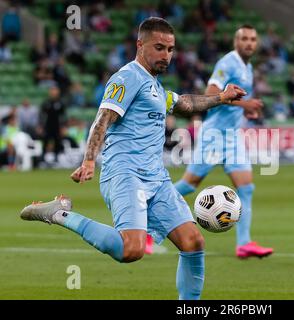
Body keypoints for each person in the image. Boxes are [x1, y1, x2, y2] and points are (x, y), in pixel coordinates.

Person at [19, 17, 246, 300]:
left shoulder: (154, 87)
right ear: (140, 45)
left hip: (157, 178)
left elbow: (185, 103)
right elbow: (103, 118)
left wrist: (220, 98)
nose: (166, 55)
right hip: (126, 173)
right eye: (159, 48)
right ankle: (58, 213)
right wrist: (90, 160)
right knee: (132, 250)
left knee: (193, 241)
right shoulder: (128, 77)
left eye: (171, 49)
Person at [173, 25, 273, 259]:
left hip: (232, 135)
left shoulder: (246, 67)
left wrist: (244, 111)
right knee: (188, 185)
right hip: (214, 135)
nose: (249, 43)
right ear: (236, 42)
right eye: (244, 39)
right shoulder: (227, 63)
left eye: (253, 39)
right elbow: (211, 91)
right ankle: (147, 214)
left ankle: (244, 244)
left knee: (246, 187)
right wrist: (246, 105)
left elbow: (234, 100)